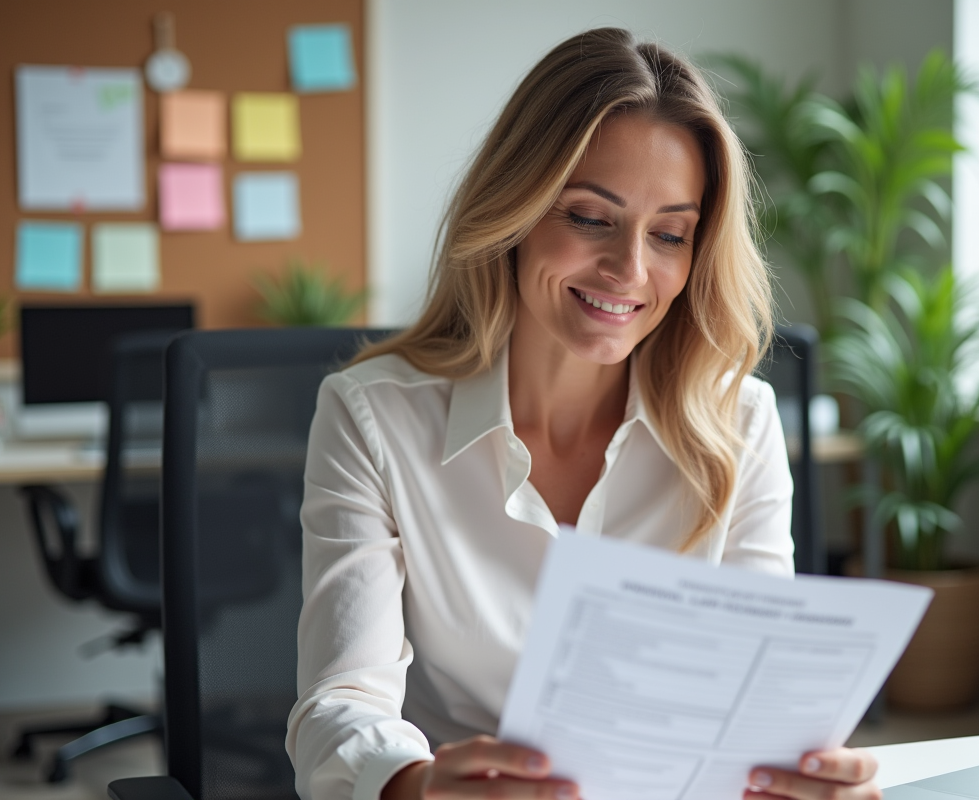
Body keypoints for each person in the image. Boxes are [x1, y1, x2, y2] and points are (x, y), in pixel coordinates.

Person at [287, 27, 881, 800]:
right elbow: (341, 705)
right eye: (590, 218)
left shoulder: (740, 422)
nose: (631, 270)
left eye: (669, 234)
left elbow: (755, 708)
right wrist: (416, 786)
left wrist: (800, 777)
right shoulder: (373, 418)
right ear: (516, 210)